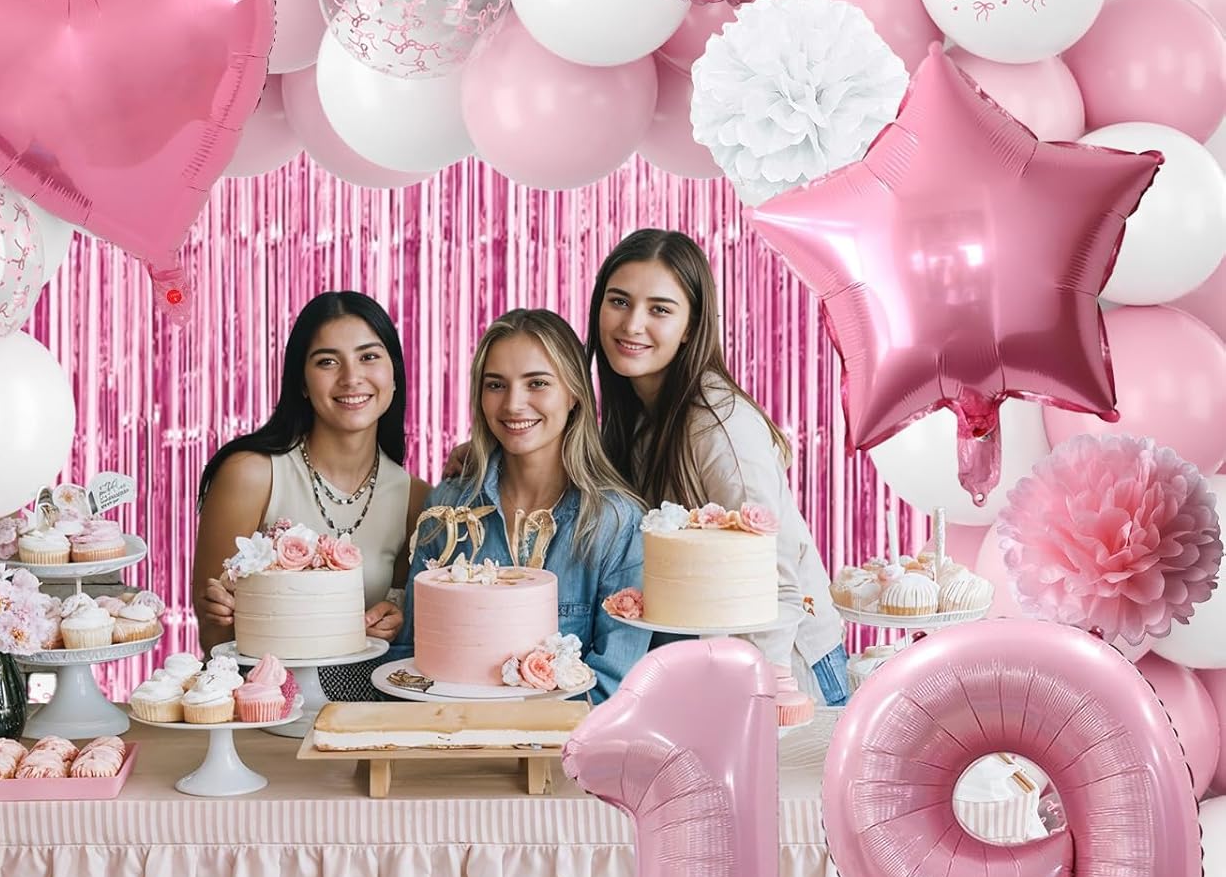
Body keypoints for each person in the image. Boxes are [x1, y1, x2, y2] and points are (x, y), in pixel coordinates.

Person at [589, 228, 848, 704]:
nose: (632, 324)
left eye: (660, 309)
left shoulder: (719, 426)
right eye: (619, 301)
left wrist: (760, 701)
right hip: (709, 667)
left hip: (785, 671)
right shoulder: (636, 414)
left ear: (691, 326)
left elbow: (774, 581)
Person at [391, 308, 649, 701]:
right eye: (496, 385)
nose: (513, 404)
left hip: (568, 739)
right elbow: (413, 657)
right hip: (450, 734)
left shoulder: (617, 523)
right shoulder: (448, 507)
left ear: (574, 393)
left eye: (537, 383)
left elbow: (614, 686)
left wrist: (517, 728)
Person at [193, 292, 428, 697]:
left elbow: (403, 641)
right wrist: (221, 610)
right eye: (327, 361)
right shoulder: (250, 474)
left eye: (369, 357)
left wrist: (395, 620)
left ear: (394, 374)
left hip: (363, 710)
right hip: (258, 707)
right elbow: (214, 637)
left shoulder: (415, 499)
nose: (351, 378)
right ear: (301, 381)